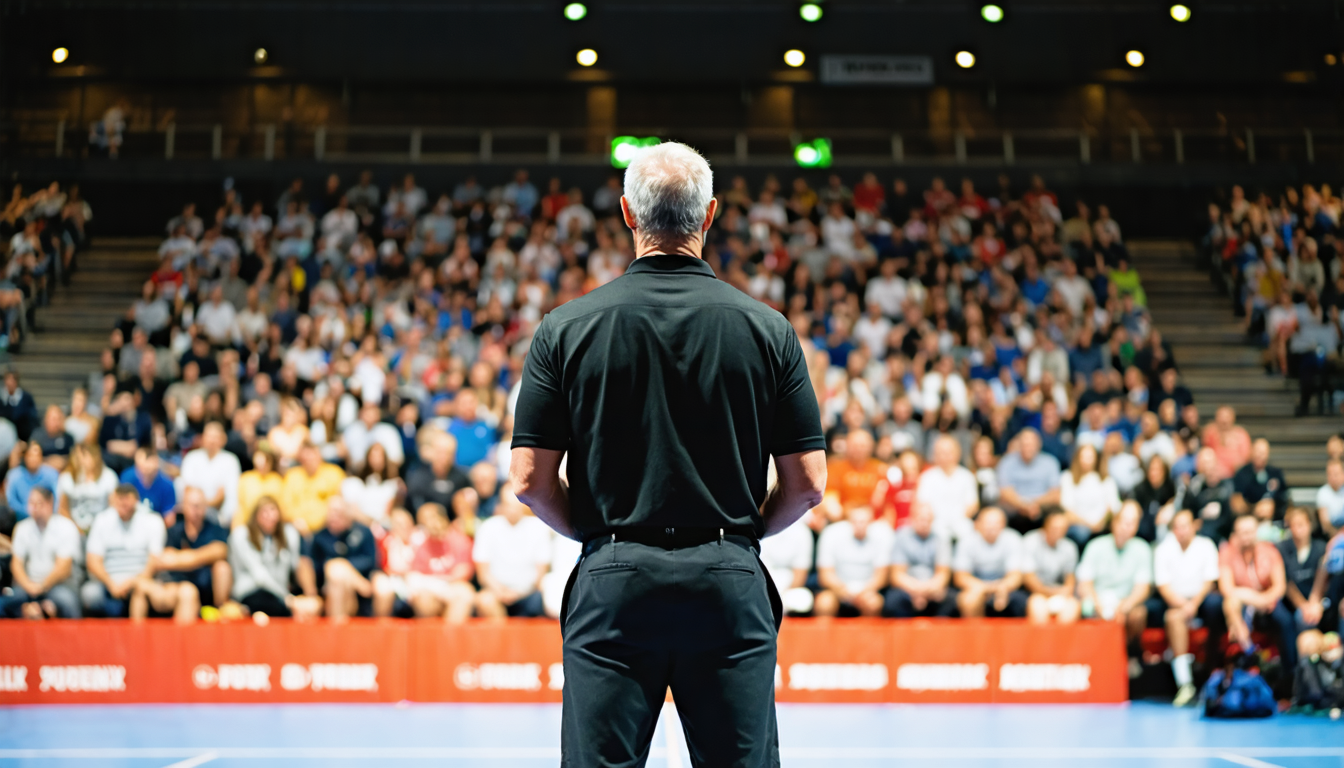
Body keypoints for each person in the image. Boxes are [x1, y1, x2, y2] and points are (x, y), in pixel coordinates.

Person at [509, 142, 826, 765]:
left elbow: (527, 480)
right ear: (710, 216)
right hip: (728, 580)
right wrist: (740, 537)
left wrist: (599, 538)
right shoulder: (768, 329)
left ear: (628, 213)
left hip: (615, 579)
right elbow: (809, 484)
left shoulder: (564, 329)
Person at [129, 486, 230, 623]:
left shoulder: (215, 529)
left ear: (205, 507)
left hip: (204, 588)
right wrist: (201, 558)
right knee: (142, 586)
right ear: (184, 506)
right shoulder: (174, 531)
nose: (196, 510)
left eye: (200, 506)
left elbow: (220, 550)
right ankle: (135, 638)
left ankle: (219, 611)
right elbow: (164, 559)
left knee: (219, 569)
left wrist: (183, 558)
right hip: (174, 584)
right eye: (193, 506)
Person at [1153, 509, 1222, 706]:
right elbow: (1163, 586)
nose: (1181, 531)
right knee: (1173, 618)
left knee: (1217, 606)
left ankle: (1213, 674)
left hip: (1203, 602)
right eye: (1177, 527)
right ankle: (1185, 684)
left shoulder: (1206, 545)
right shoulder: (1163, 549)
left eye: (1185, 526)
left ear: (1194, 526)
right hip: (1176, 602)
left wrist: (1194, 604)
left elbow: (1210, 580)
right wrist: (1184, 605)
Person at [1219, 512, 1296, 670]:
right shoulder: (1227, 552)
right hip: (1242, 601)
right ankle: (1246, 653)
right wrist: (1255, 599)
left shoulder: (1270, 551)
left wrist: (1264, 599)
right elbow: (1226, 588)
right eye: (1242, 532)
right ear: (1236, 534)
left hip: (1269, 600)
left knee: (1285, 620)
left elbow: (1279, 586)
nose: (1246, 536)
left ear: (1256, 532)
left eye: (1250, 531)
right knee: (1230, 604)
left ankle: (1290, 670)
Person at [1077, 502, 1153, 660]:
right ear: (1114, 522)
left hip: (1124, 604)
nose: (1127, 526)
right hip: (1096, 602)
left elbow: (1142, 588)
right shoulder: (1095, 546)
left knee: (1138, 614)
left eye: (1132, 523)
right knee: (1081, 606)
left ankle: (1127, 657)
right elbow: (1084, 584)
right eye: (1124, 521)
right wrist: (1099, 607)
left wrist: (1124, 607)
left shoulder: (1142, 549)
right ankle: (1084, 658)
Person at [82, 484, 167, 617]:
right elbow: (93, 561)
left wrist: (131, 582)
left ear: (136, 500)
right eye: (119, 499)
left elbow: (154, 561)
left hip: (141, 580)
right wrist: (111, 584)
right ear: (114, 500)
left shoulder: (152, 520)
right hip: (109, 582)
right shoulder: (102, 520)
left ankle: (138, 633)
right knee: (90, 594)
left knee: (146, 590)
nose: (123, 503)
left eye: (127, 499)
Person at [472, 484, 551, 619]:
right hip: (496, 592)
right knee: (484, 600)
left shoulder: (538, 527)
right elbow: (483, 573)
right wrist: (501, 592)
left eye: (516, 504)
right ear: (500, 505)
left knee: (545, 599)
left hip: (529, 593)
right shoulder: (487, 527)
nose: (513, 510)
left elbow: (541, 572)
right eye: (508, 504)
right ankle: (500, 640)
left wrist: (519, 593)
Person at [2, 487, 81, 618]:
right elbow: (16, 564)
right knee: (5, 602)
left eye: (39, 503)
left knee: (67, 601)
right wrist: (28, 585)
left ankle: (74, 637)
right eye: (31, 503)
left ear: (50, 503)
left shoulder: (66, 527)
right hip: (27, 585)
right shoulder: (22, 528)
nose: (34, 507)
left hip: (58, 585)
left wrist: (41, 586)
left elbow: (64, 568)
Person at [229, 496, 312, 618]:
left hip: (279, 593)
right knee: (274, 610)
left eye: (273, 510)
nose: (270, 516)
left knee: (302, 610)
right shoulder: (241, 536)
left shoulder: (288, 534)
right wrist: (287, 598)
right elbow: (259, 575)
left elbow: (294, 564)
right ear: (256, 514)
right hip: (251, 591)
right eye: (265, 511)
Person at [815, 505, 893, 617]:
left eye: (864, 521)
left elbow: (881, 576)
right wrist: (842, 590)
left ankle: (867, 635)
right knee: (824, 603)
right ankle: (824, 635)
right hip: (837, 590)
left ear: (871, 522)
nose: (860, 525)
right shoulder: (831, 534)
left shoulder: (882, 536)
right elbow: (825, 575)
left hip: (868, 591)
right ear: (848, 521)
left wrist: (864, 592)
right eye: (856, 521)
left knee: (874, 604)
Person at [406, 502, 476, 623]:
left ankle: (450, 638)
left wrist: (437, 583)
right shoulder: (422, 544)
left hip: (451, 588)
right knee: (423, 598)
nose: (431, 524)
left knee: (465, 594)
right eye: (425, 521)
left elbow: (461, 574)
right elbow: (414, 575)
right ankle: (429, 639)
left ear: (443, 519)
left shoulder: (460, 541)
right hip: (430, 589)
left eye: (433, 518)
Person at [885, 502, 956, 618]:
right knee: (892, 601)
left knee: (951, 600)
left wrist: (926, 590)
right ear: (912, 519)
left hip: (933, 588)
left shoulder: (941, 538)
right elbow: (897, 575)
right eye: (921, 519)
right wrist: (916, 591)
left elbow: (943, 574)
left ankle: (941, 634)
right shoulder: (901, 537)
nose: (924, 523)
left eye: (928, 520)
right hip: (907, 589)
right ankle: (902, 635)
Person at [952, 507, 1027, 617]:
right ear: (977, 524)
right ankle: (974, 634)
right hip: (975, 587)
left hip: (1006, 588)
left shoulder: (1013, 539)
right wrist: (983, 588)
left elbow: (1016, 576)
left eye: (996, 523)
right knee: (969, 600)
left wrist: (1002, 587)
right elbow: (960, 576)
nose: (992, 527)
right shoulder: (967, 541)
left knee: (1032, 603)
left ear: (1004, 524)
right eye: (988, 523)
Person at [915, 434, 980, 541]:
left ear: (958, 453)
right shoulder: (927, 477)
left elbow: (972, 505)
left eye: (948, 452)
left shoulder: (967, 477)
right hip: (935, 523)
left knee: (968, 531)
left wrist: (956, 519)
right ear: (935, 454)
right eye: (941, 452)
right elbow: (922, 503)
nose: (944, 456)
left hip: (961, 521)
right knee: (939, 534)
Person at [996, 428, 1062, 533]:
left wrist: (1032, 504)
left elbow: (1055, 494)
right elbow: (1005, 492)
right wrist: (1024, 506)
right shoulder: (1006, 462)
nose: (1028, 448)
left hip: (1042, 507)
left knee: (1058, 515)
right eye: (1024, 444)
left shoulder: (1050, 462)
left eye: (1031, 444)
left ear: (1039, 445)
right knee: (997, 512)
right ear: (1019, 445)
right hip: (1015, 507)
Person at [1022, 509, 1081, 624]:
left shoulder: (1070, 547)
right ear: (1045, 526)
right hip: (1036, 593)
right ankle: (1040, 642)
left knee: (1073, 607)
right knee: (1037, 607)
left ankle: (1062, 641)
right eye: (1055, 527)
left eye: (1062, 528)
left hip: (1059, 593)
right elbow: (1029, 579)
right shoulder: (1030, 541)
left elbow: (1070, 579)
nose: (1058, 531)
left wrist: (1066, 591)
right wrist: (1052, 592)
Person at [1059, 443, 1122, 550]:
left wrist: (1101, 523)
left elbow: (1113, 506)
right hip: (1077, 525)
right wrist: (1089, 525)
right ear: (1077, 458)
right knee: (1081, 533)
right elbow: (1067, 508)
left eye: (1090, 457)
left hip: (1102, 525)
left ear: (1096, 458)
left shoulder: (1106, 480)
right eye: (1083, 457)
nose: (1086, 461)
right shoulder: (1067, 477)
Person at [176, 422, 241, 526]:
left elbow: (228, 495)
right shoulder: (191, 458)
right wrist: (211, 501)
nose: (211, 440)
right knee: (178, 483)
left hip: (217, 514)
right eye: (209, 436)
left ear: (223, 439)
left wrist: (213, 503)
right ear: (202, 438)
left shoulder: (231, 461)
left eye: (215, 437)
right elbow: (187, 489)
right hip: (192, 509)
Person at [1278, 507, 1326, 633]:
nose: (1298, 529)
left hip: (1318, 599)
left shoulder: (1321, 547)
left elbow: (1323, 578)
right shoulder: (1282, 548)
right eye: (1294, 525)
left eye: (1301, 524)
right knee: (1302, 617)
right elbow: (1287, 582)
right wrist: (1303, 606)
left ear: (1310, 524)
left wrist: (1314, 602)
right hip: (1292, 603)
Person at [758, 513, 816, 616]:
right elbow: (759, 566)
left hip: (788, 588)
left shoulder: (802, 532)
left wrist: (780, 595)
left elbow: (800, 575)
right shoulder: (761, 527)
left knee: (804, 599)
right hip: (763, 584)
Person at [282, 443, 345, 535]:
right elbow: (285, 505)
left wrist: (328, 519)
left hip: (328, 527)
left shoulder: (334, 473)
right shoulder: (292, 475)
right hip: (299, 528)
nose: (309, 461)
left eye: (312, 457)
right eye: (305, 458)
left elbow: (340, 502)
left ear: (319, 456)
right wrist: (295, 519)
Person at [405, 431, 471, 514]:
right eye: (440, 452)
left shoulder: (462, 478)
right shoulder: (418, 478)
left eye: (449, 453)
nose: (444, 457)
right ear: (432, 452)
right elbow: (416, 507)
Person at [1231, 438, 1287, 520]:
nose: (1261, 455)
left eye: (1263, 452)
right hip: (1249, 518)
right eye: (1258, 452)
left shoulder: (1276, 473)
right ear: (1252, 451)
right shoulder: (1242, 474)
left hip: (1274, 518)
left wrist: (1272, 506)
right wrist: (1254, 509)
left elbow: (1284, 497)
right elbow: (1237, 501)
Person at [5, 441, 58, 519]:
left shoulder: (51, 474)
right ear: (25, 457)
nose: (34, 459)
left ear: (42, 457)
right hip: (20, 518)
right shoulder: (14, 475)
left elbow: (57, 499)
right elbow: (11, 501)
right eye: (30, 455)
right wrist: (29, 511)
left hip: (46, 518)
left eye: (37, 455)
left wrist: (44, 512)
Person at [119, 447, 176, 519]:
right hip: (130, 522)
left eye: (148, 469)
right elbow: (121, 506)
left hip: (156, 524)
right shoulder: (127, 478)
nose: (145, 473)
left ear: (157, 465)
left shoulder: (167, 485)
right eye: (141, 468)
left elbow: (169, 517)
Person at [235, 447, 284, 529]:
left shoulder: (277, 480)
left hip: (272, 525)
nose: (262, 465)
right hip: (249, 523)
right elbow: (240, 505)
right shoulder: (246, 478)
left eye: (266, 461)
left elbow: (281, 507)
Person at [1316, 458, 1344, 536]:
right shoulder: (1323, 493)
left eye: (1335, 474)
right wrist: (1339, 538)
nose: (1332, 477)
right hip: (1331, 536)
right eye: (1329, 474)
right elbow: (1326, 525)